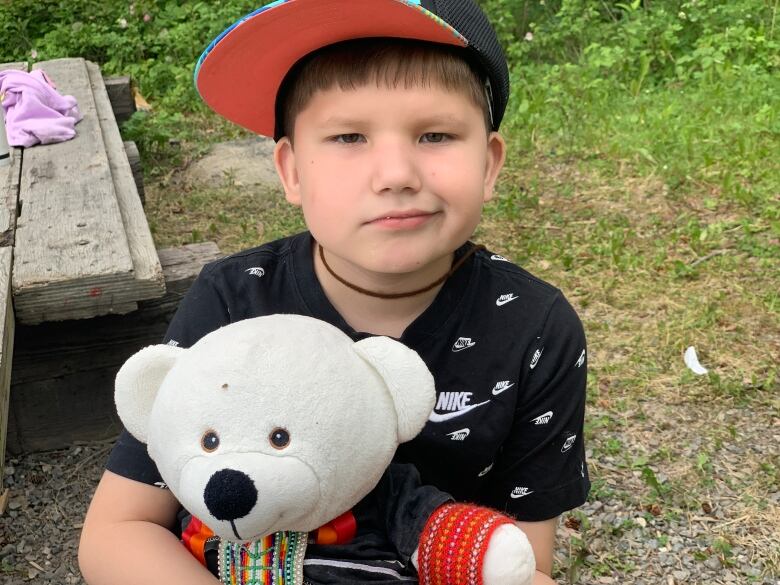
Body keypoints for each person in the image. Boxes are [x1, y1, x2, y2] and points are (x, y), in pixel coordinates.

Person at [78, 1, 589, 584]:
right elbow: (118, 532)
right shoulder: (234, 302)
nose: (396, 173)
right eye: (349, 136)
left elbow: (522, 560)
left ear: (489, 164)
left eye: (436, 135)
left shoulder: (534, 328)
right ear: (291, 171)